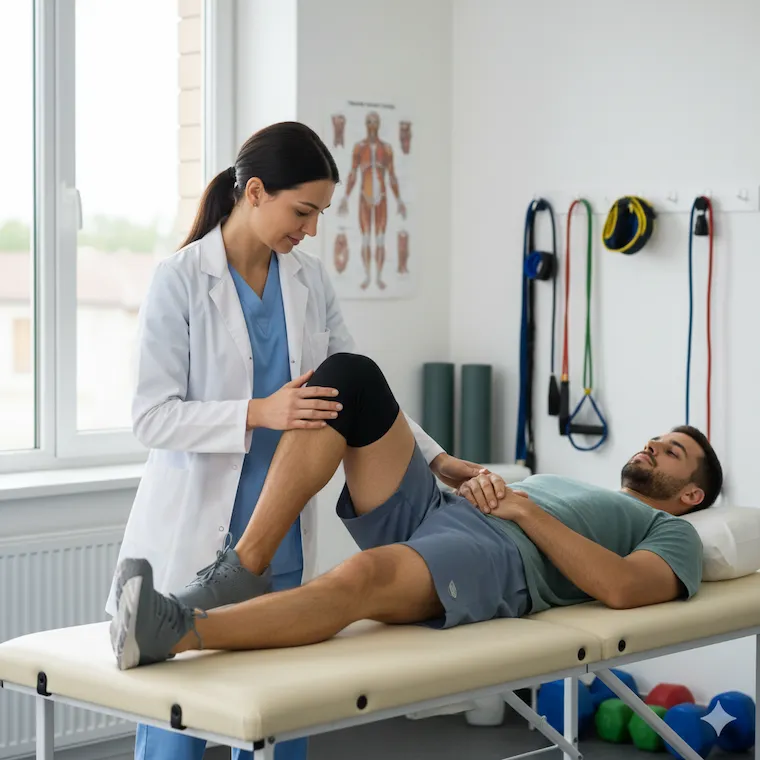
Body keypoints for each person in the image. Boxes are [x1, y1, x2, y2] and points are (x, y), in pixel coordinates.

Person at [107, 122, 481, 760]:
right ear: (254, 192)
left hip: (279, 546)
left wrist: (436, 457)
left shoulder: (307, 282)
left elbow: (357, 393)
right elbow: (152, 417)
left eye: (320, 215)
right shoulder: (181, 279)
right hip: (198, 539)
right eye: (302, 211)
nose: (310, 231)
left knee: (281, 726)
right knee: (176, 742)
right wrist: (259, 412)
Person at [109, 351, 723, 672]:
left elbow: (618, 588)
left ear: (691, 494)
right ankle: (245, 562)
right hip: (442, 507)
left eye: (671, 452)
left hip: (500, 555)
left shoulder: (671, 532)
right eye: (655, 439)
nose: (651, 447)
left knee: (363, 578)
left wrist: (523, 509)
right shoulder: (580, 486)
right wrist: (462, 471)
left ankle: (180, 631)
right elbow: (505, 496)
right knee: (350, 381)